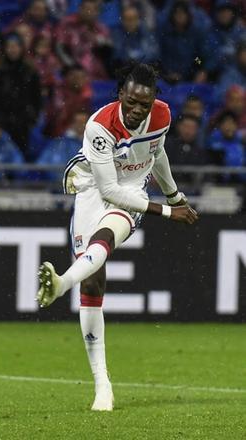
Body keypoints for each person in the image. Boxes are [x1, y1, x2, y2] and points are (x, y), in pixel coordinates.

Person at [36, 64, 199, 412]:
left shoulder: (163, 116)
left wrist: (172, 195)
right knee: (93, 285)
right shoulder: (99, 126)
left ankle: (62, 283)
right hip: (94, 189)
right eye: (131, 102)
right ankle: (102, 385)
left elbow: (157, 155)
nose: (138, 110)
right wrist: (169, 212)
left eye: (145, 103)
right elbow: (107, 187)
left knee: (106, 238)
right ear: (120, 95)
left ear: (154, 99)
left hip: (132, 191)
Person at [0, 34, 41, 158]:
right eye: (10, 46)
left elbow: (36, 98)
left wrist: (31, 117)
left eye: (16, 46)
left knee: (21, 157)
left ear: (21, 48)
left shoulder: (30, 71)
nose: (13, 49)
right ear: (4, 48)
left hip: (22, 123)